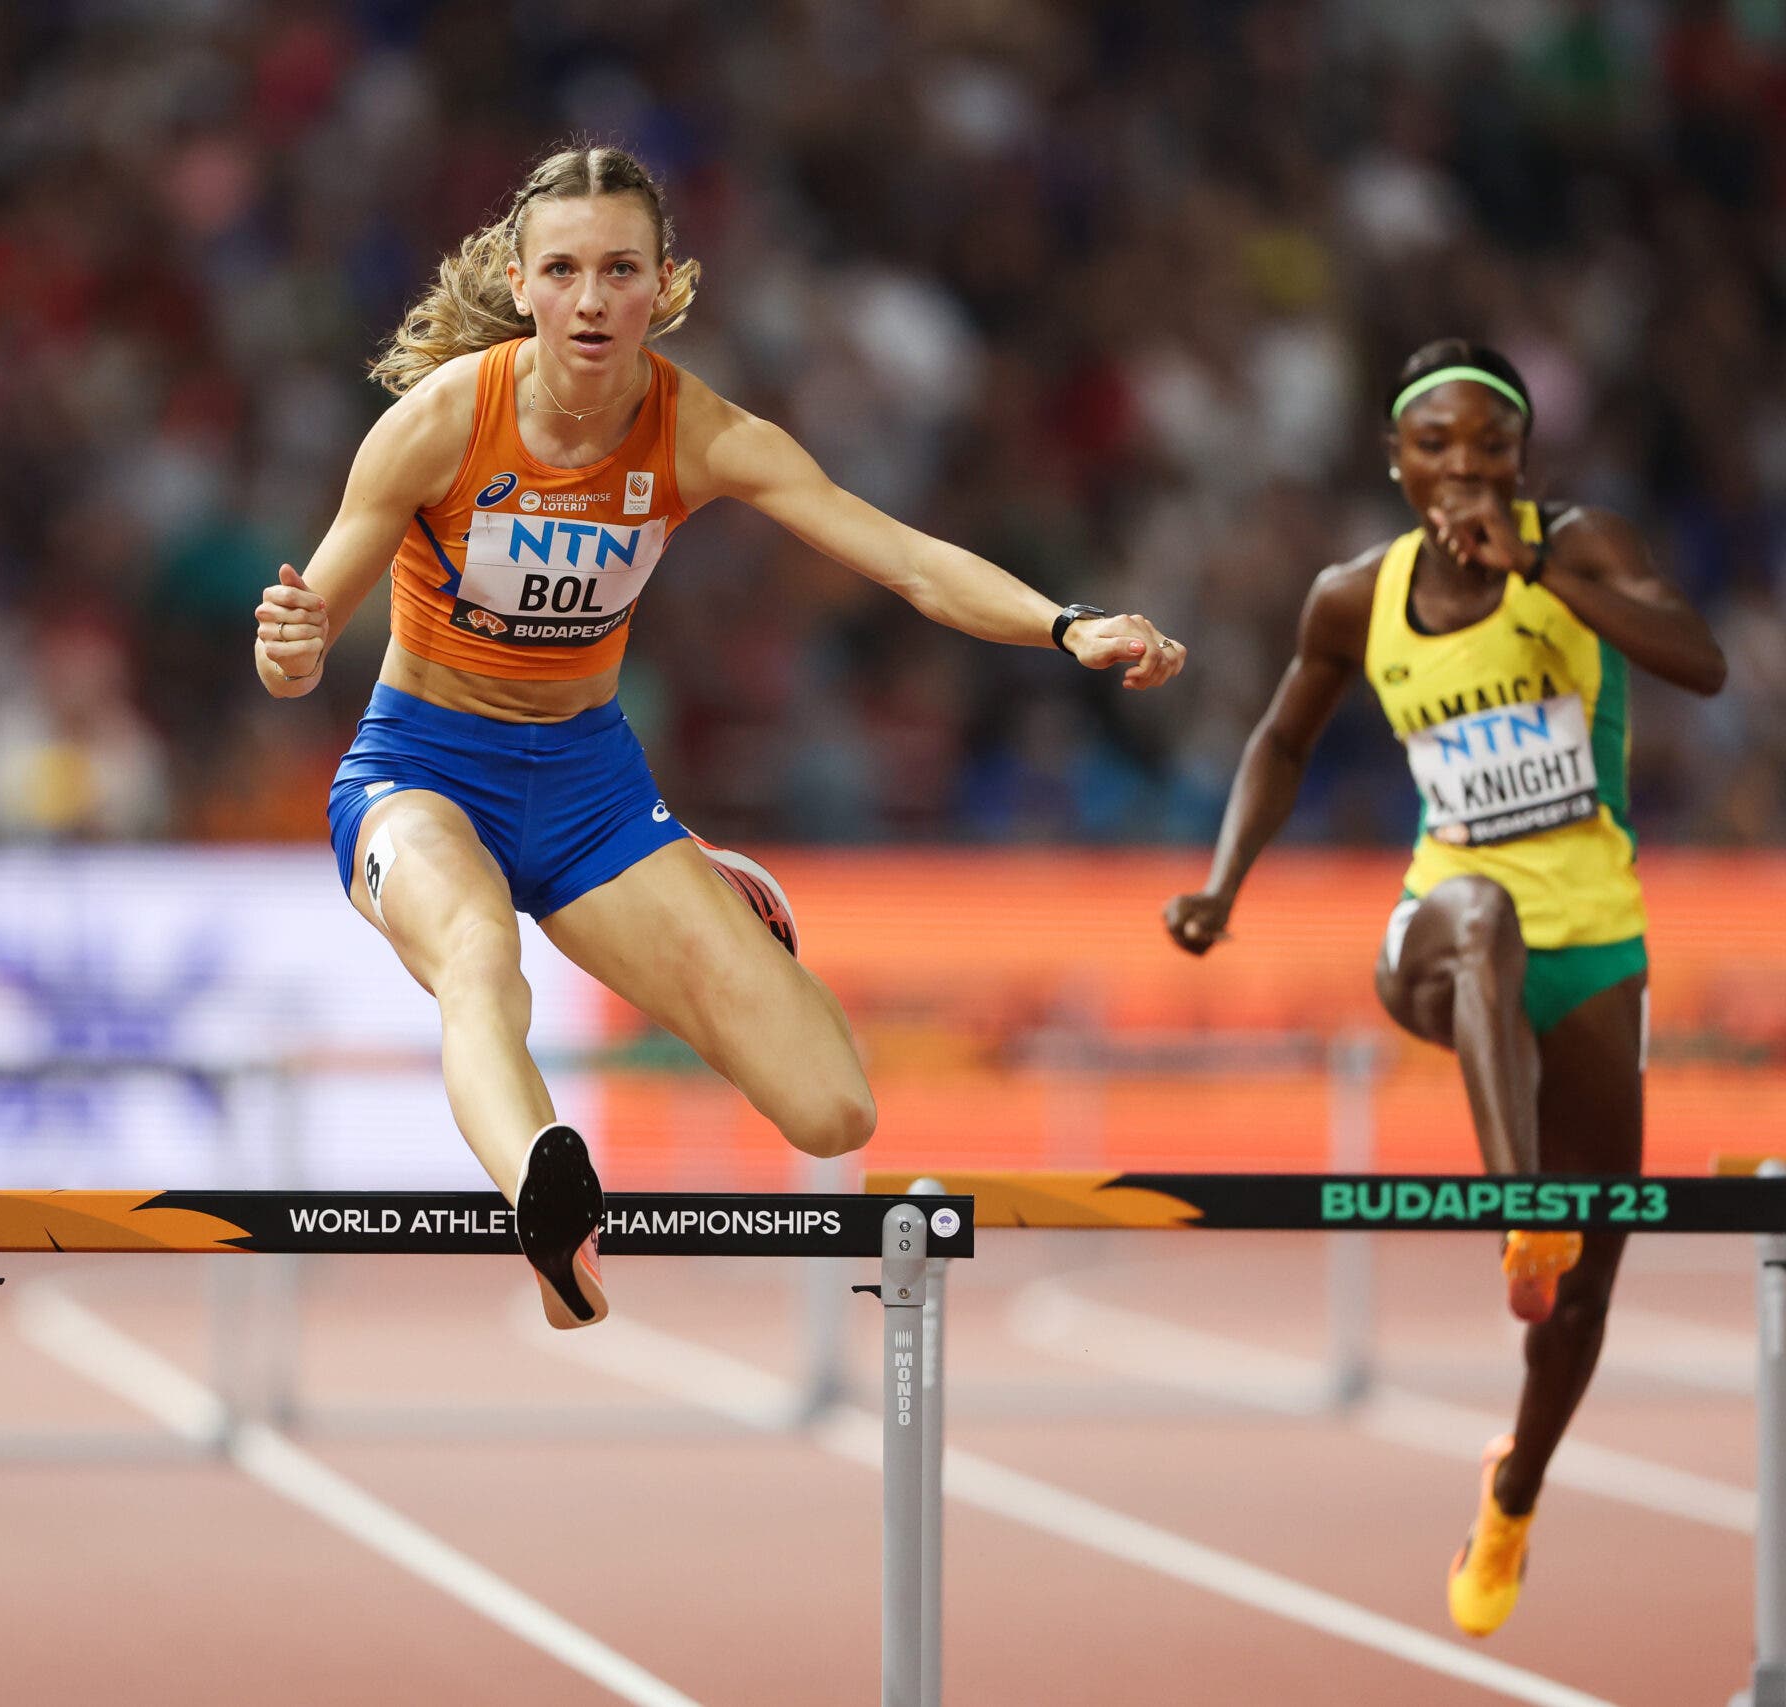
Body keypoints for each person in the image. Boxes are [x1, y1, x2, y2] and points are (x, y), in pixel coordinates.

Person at [254, 144, 1185, 1330]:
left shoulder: (698, 431)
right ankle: (545, 1179)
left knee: (832, 1113)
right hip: (422, 774)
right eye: (565, 272)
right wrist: (287, 648)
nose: (591, 301)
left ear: (664, 284)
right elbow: (311, 621)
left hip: (592, 792)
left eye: (620, 271)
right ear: (522, 281)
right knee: (479, 957)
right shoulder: (443, 420)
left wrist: (1066, 624)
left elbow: (901, 558)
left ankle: (704, 882)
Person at [1162, 339, 1726, 1638]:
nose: (1464, 469)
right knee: (1478, 916)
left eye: (1489, 448)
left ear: (1520, 460)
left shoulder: (1578, 548)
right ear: (1397, 462)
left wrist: (1543, 574)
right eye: (1437, 448)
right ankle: (1518, 1206)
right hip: (1437, 929)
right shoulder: (1356, 595)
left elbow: (1702, 662)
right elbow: (1281, 736)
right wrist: (1224, 882)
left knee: (1588, 1290)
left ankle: (1515, 1486)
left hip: (1594, 940)